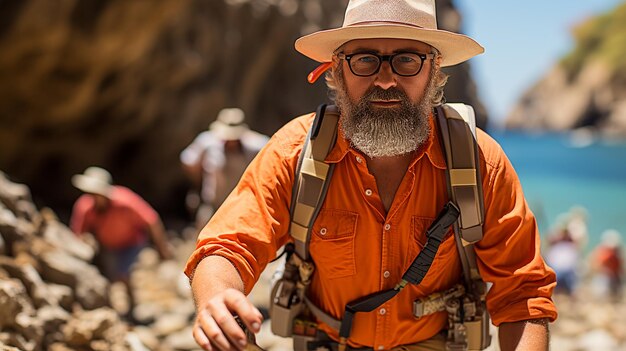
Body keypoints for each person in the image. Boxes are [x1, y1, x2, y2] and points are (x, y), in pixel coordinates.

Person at [185, 1, 557, 350]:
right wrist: (217, 295)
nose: (384, 80)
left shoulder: (479, 160)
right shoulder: (294, 151)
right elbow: (228, 247)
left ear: (435, 69)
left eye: (407, 60)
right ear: (336, 68)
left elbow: (522, 294)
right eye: (364, 59)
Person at [70, 166, 173, 315]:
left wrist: (161, 248)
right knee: (110, 276)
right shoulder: (85, 206)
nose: (93, 196)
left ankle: (132, 308)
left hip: (132, 242)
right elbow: (78, 233)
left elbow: (151, 221)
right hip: (108, 246)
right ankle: (113, 309)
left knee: (123, 273)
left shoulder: (125, 201)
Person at [180, 108, 269, 228]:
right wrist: (199, 181)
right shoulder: (207, 143)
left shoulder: (256, 146)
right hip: (213, 206)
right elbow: (188, 162)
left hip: (243, 209)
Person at [589, 229, 624, 301]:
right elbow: (595, 266)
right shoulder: (602, 253)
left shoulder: (617, 255)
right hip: (604, 278)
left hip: (613, 278)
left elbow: (620, 268)